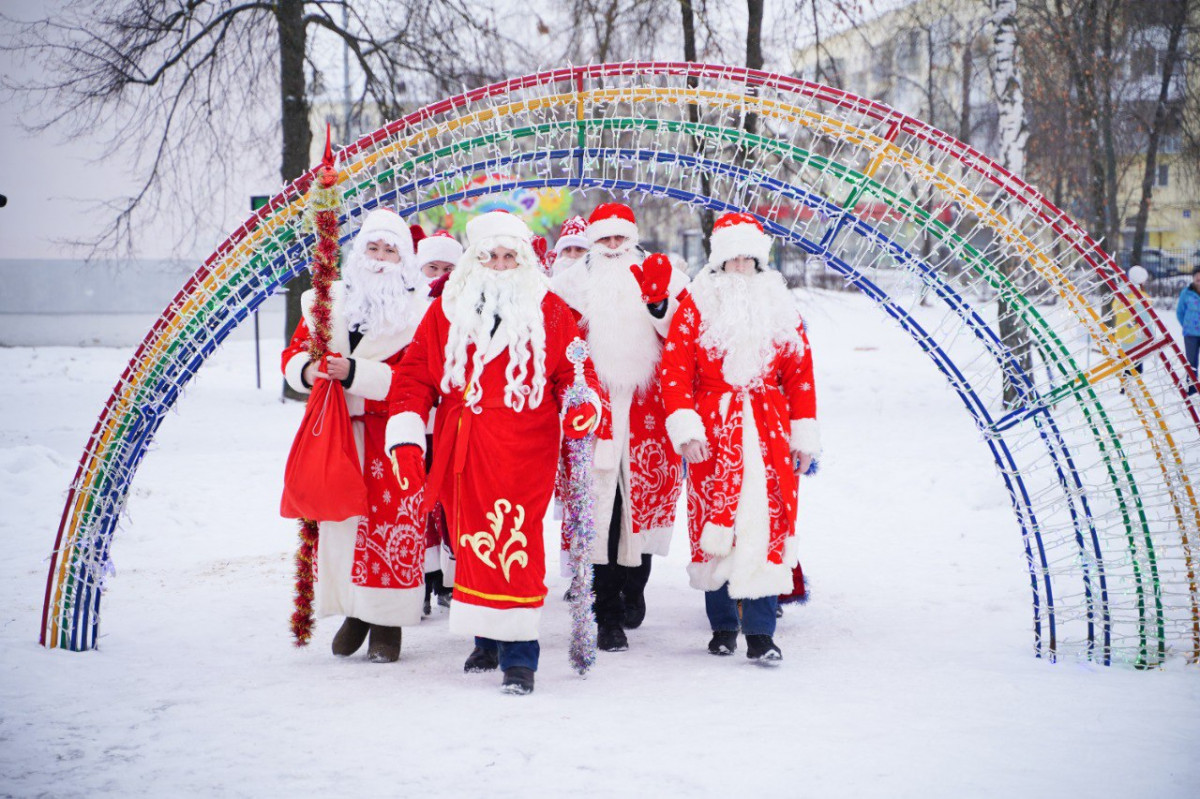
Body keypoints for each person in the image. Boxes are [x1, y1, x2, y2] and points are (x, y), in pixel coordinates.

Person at [387, 210, 601, 695]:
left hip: (526, 444)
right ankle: (486, 639)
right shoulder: (445, 310)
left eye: (509, 256)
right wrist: (403, 433)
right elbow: (415, 374)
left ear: (523, 259)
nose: (500, 264)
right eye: (491, 256)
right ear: (474, 260)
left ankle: (520, 656)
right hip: (463, 443)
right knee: (470, 541)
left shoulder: (549, 308)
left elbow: (574, 375)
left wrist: (582, 407)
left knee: (516, 542)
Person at [659, 212, 820, 665]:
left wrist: (802, 434)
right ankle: (724, 624)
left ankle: (762, 633)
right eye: (734, 260)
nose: (742, 267)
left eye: (750, 259)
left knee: (767, 523)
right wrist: (687, 429)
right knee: (715, 521)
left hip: (769, 429)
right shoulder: (695, 303)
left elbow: (800, 375)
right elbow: (674, 372)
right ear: (718, 262)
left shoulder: (780, 305)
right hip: (714, 425)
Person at [280, 207, 427, 663]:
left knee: (391, 525)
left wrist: (356, 374)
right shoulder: (326, 303)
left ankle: (387, 623)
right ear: (358, 252)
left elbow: (419, 377)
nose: (381, 258)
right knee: (342, 525)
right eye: (373, 248)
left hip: (391, 433)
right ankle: (355, 610)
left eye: (390, 250)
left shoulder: (419, 314)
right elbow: (296, 354)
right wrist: (310, 369)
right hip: (338, 433)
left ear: (404, 259)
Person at [550, 202, 688, 652]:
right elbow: (555, 344)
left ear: (631, 240)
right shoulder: (569, 286)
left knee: (641, 508)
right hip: (596, 409)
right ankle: (605, 611)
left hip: (647, 410)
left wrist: (659, 304)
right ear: (592, 242)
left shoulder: (659, 275)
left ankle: (635, 585)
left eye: (619, 240)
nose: (612, 248)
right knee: (601, 513)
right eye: (604, 240)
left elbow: (682, 334)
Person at [412, 229, 465, 614]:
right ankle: (423, 579)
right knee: (418, 503)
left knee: (448, 505)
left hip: (448, 424)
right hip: (415, 424)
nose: (439, 274)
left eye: (449, 267)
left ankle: (449, 578)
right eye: (432, 266)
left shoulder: (457, 307)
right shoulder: (406, 304)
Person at [1177, 267, 1200, 392]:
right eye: (1197, 275)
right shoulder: (1186, 293)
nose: (1199, 278)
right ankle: (1192, 387)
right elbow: (1180, 312)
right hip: (1190, 334)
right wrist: (1186, 325)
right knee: (1192, 362)